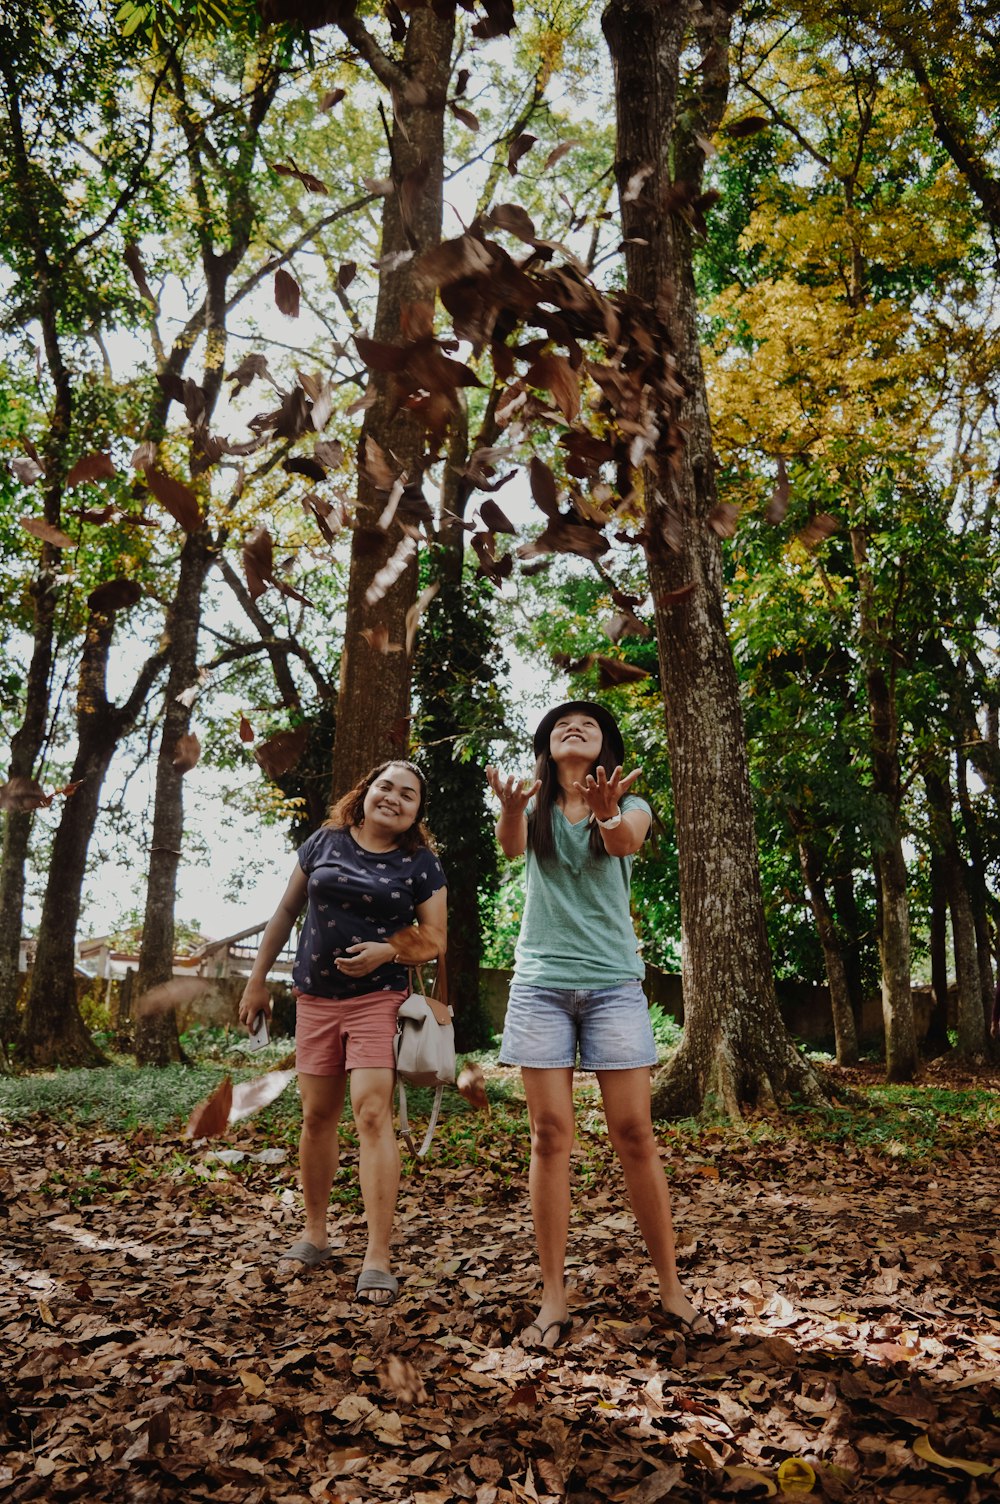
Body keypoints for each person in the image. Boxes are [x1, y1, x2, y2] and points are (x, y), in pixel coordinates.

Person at [486, 701, 708, 1349]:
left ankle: (671, 1289)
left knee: (635, 1133)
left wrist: (609, 808)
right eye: (561, 725)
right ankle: (553, 1297)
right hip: (540, 989)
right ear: (547, 748)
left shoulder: (632, 805)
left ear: (605, 745)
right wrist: (507, 807)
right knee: (550, 1136)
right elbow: (511, 849)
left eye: (587, 724)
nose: (573, 727)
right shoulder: (531, 808)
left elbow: (624, 843)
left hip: (614, 987)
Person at [238, 759, 447, 1304]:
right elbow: (285, 911)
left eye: (408, 795)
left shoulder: (420, 864)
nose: (394, 798)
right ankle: (315, 1234)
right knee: (316, 1116)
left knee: (372, 1113)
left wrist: (390, 949)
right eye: (386, 787)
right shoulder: (324, 842)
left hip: (378, 1000)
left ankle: (377, 1255)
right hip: (314, 999)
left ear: (417, 812)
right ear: (366, 792)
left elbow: (436, 939)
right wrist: (258, 982)